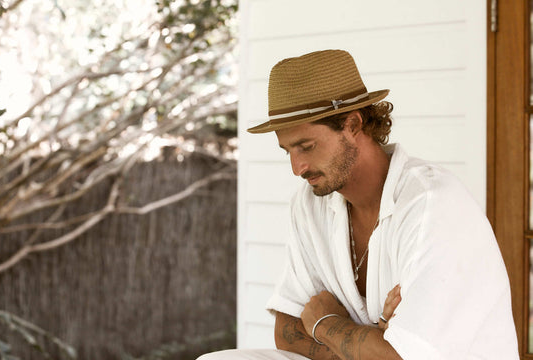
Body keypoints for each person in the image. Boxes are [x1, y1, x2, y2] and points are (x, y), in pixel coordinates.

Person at [199, 50, 519, 359]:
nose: (297, 168)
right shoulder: (310, 205)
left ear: (353, 125)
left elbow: (401, 357)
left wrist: (325, 323)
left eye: (306, 146)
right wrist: (370, 343)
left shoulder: (431, 204)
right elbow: (287, 331)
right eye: (288, 151)